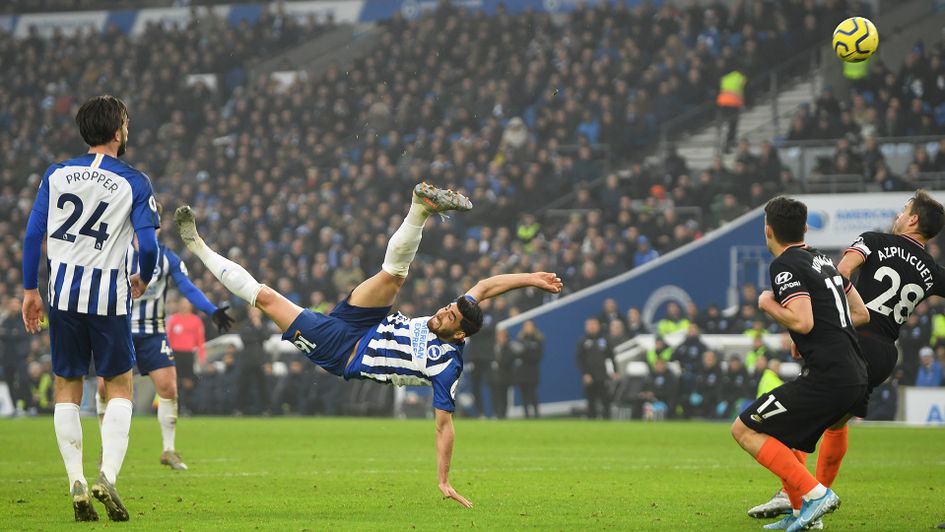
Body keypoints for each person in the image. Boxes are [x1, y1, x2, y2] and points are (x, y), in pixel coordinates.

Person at [173, 182, 562, 508]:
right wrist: (532, 277)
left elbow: (444, 425)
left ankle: (197, 246)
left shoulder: (446, 366)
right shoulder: (459, 313)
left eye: (449, 318)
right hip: (369, 320)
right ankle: (419, 208)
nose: (442, 312)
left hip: (345, 351)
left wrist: (443, 479)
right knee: (393, 276)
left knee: (269, 298)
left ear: (459, 336)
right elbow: (486, 287)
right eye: (447, 307)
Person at [749, 190, 945, 521]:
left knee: (802, 413)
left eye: (903, 210)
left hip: (850, 339)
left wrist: (811, 331)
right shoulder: (932, 270)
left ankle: (798, 494)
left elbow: (838, 277)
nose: (898, 215)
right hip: (885, 353)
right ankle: (813, 500)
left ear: (912, 219)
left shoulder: (875, 241)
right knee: (836, 422)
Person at [21, 95, 160, 522]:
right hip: (108, 298)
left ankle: (75, 481)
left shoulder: (56, 173)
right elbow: (149, 245)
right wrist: (144, 277)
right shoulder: (134, 181)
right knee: (118, 386)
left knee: (67, 386)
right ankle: (107, 475)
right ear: (118, 131)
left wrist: (31, 290)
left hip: (61, 296)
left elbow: (32, 237)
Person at [731, 196, 870, 532]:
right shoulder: (822, 260)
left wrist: (767, 304)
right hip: (855, 372)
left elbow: (803, 320)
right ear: (805, 228)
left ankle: (815, 495)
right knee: (789, 435)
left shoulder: (785, 264)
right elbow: (860, 314)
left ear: (768, 230)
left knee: (744, 428)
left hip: (830, 377)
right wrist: (807, 340)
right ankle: (801, 515)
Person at [96, 208, 233, 471]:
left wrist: (211, 310)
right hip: (119, 329)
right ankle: (106, 447)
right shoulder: (115, 251)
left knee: (169, 388)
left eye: (154, 224)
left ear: (158, 227)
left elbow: (187, 287)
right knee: (104, 389)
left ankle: (168, 450)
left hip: (153, 332)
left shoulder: (167, 258)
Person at [576, 317, 616, 419]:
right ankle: (591, 423)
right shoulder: (583, 341)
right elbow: (579, 360)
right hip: (590, 376)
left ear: (598, 325)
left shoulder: (605, 339)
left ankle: (607, 421)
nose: (592, 327)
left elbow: (611, 357)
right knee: (591, 402)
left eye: (594, 324)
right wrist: (585, 374)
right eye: (589, 325)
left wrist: (615, 371)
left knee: (606, 401)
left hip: (603, 376)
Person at [515, 320, 544, 419]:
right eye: (525, 326)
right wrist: (525, 353)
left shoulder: (538, 339)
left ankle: (536, 415)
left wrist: (525, 353)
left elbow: (538, 356)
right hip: (522, 371)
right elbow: (517, 353)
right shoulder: (520, 339)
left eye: (529, 326)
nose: (527, 328)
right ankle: (526, 415)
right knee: (524, 394)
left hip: (532, 371)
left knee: (532, 393)